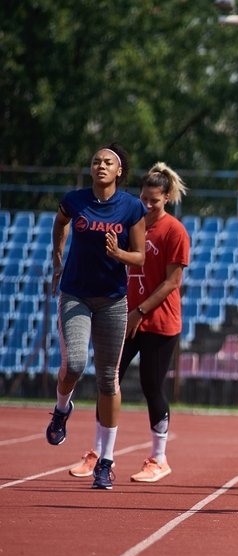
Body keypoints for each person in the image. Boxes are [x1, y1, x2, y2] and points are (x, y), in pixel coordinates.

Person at [47, 143, 147, 490]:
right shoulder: (75, 200)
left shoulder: (132, 206)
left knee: (108, 380)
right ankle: (62, 409)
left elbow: (139, 258)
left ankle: (105, 461)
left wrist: (118, 252)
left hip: (112, 300)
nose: (100, 166)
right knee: (74, 363)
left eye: (108, 162)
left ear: (119, 171)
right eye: (96, 161)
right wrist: (58, 258)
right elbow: (60, 224)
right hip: (75, 293)